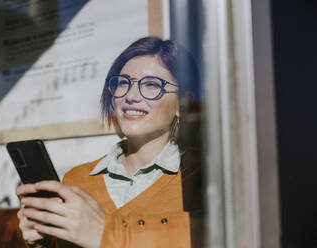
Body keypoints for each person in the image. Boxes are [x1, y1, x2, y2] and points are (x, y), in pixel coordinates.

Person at [16, 36, 203, 248]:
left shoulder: (202, 180)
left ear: (182, 104)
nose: (130, 95)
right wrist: (38, 242)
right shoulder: (76, 180)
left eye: (152, 84)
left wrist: (105, 233)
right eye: (123, 83)